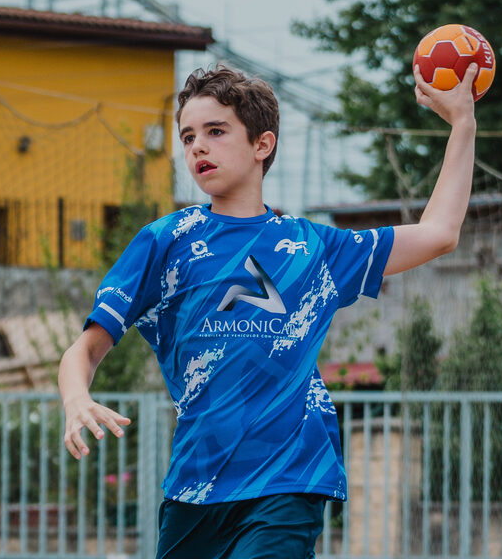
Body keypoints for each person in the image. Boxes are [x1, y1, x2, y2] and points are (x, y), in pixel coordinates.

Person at [58, 61, 478, 558]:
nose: (198, 147)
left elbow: (439, 233)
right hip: (195, 488)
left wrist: (463, 125)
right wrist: (76, 397)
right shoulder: (166, 241)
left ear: (262, 144)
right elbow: (85, 349)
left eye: (216, 131)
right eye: (188, 136)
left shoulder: (312, 248)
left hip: (288, 482)